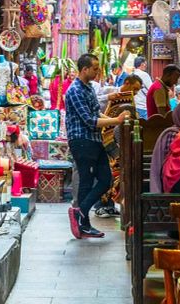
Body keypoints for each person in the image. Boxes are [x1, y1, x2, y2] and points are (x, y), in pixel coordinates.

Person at [66, 54, 130, 239]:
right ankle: (83, 222)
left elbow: (97, 112)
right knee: (87, 181)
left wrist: (113, 119)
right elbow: (89, 120)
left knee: (105, 179)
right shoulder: (75, 90)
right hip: (82, 140)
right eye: (94, 68)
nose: (97, 72)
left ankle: (82, 214)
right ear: (84, 69)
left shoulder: (88, 88)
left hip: (94, 140)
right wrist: (116, 120)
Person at [94, 75, 143, 218]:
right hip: (102, 136)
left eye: (138, 91)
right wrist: (109, 97)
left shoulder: (129, 102)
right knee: (107, 173)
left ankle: (108, 206)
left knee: (113, 171)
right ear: (127, 83)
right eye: (134, 89)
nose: (135, 93)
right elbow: (93, 103)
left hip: (113, 140)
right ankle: (102, 205)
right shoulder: (109, 90)